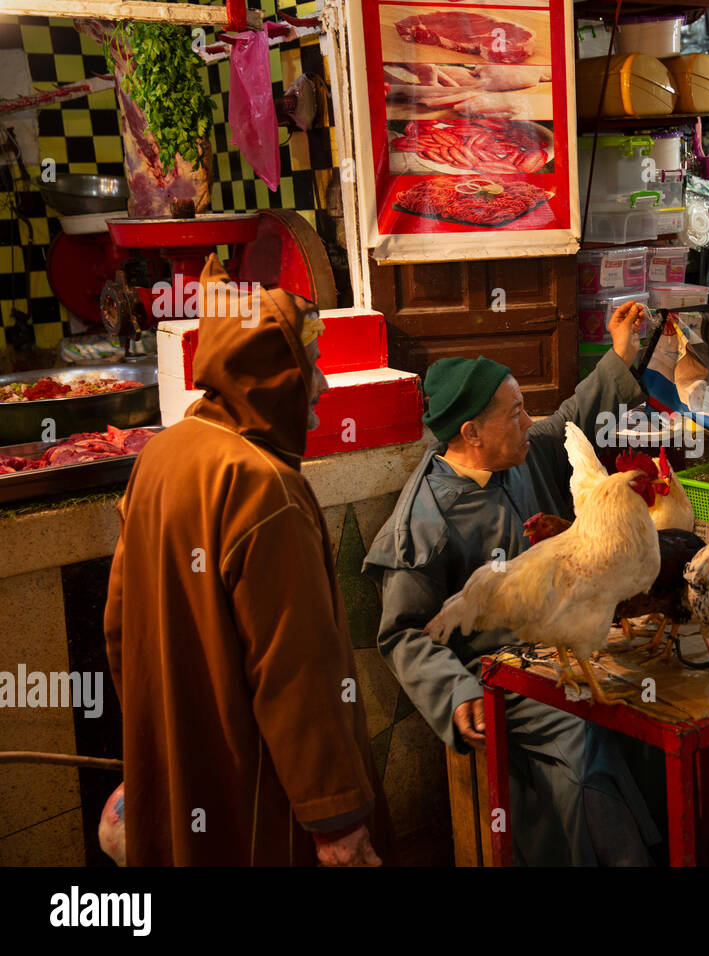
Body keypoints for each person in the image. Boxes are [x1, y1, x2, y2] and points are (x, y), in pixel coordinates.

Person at [104, 256, 385, 866]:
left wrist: (148, 746)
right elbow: (298, 671)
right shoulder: (264, 486)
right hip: (257, 791)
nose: (323, 386)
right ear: (272, 376)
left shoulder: (161, 454)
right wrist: (336, 817)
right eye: (310, 368)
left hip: (176, 771)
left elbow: (119, 625)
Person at [363, 301, 661, 866]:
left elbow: (572, 415)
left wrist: (621, 351)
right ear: (472, 432)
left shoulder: (521, 454)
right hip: (496, 675)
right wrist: (457, 694)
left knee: (643, 707)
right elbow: (403, 634)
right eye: (516, 412)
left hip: (564, 645)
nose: (530, 421)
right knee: (581, 733)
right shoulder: (422, 521)